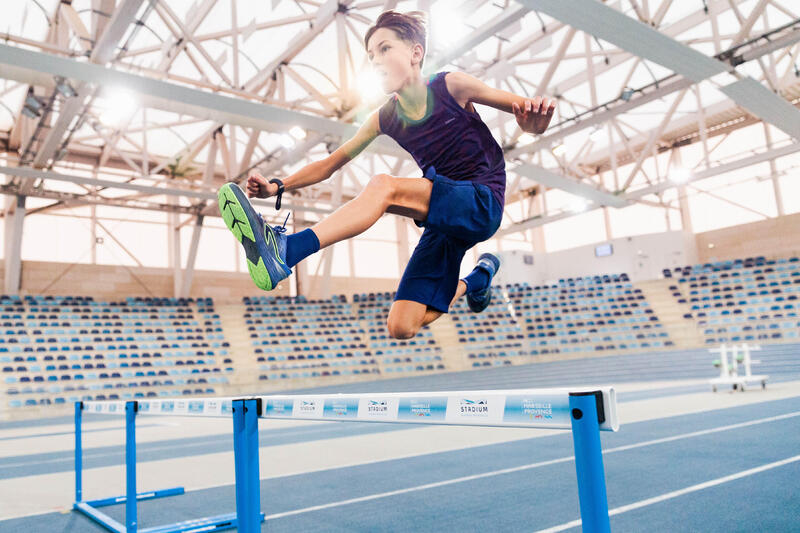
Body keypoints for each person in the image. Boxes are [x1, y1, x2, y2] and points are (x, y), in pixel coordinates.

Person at [217, 10, 555, 339]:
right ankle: (477, 279)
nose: (375, 61)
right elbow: (329, 164)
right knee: (401, 326)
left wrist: (534, 123)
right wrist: (278, 186)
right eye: (370, 56)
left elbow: (525, 110)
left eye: (384, 49)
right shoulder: (385, 117)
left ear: (415, 53)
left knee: (384, 186)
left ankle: (288, 250)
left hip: (481, 200)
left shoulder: (451, 86)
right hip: (444, 214)